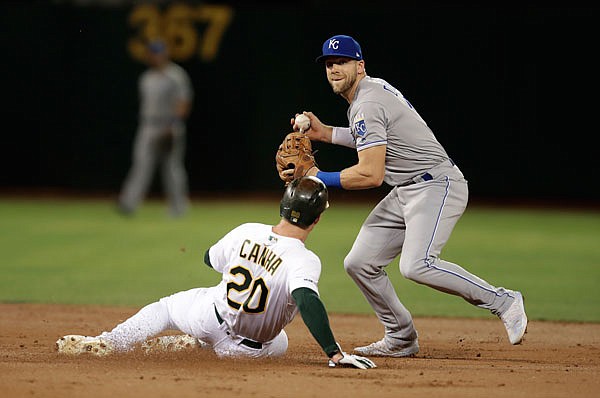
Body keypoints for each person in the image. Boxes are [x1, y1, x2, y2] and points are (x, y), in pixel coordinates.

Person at [291, 34, 527, 357]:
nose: (334, 69)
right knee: (359, 262)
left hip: (437, 185)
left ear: (359, 66)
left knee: (416, 265)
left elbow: (371, 174)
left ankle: (503, 300)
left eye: (342, 62)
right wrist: (326, 134)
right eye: (329, 64)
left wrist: (319, 177)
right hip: (408, 189)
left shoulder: (367, 103)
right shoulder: (367, 95)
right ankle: (401, 335)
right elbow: (368, 136)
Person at [56, 176, 376, 369]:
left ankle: (111, 342)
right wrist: (334, 353)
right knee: (280, 342)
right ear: (317, 219)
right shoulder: (305, 261)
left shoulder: (246, 230)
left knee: (166, 308)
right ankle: (202, 348)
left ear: (281, 207)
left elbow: (209, 258)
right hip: (246, 352)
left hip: (210, 317)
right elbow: (306, 300)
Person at [117, 39, 193, 217]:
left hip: (169, 124)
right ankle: (128, 203)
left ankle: (178, 207)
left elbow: (183, 102)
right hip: (148, 125)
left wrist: (173, 124)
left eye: (158, 52)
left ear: (165, 54)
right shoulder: (146, 77)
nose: (156, 56)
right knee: (141, 164)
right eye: (153, 53)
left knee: (172, 168)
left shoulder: (175, 75)